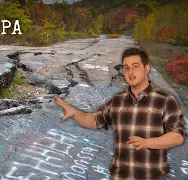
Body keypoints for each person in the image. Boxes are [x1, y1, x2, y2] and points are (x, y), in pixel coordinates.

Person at [55, 47, 186, 180]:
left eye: (135, 66)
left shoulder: (165, 100)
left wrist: (147, 143)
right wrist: (75, 113)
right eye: (126, 67)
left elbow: (177, 136)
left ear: (146, 69)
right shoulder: (117, 100)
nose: (130, 72)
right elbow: (95, 121)